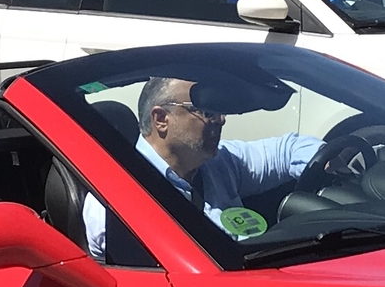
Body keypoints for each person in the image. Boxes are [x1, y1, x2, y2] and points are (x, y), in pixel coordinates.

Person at [82, 74, 325, 260]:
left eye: (219, 111)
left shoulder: (220, 161)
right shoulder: (114, 199)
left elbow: (287, 150)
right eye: (206, 110)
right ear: (161, 119)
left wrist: (335, 162)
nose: (220, 120)